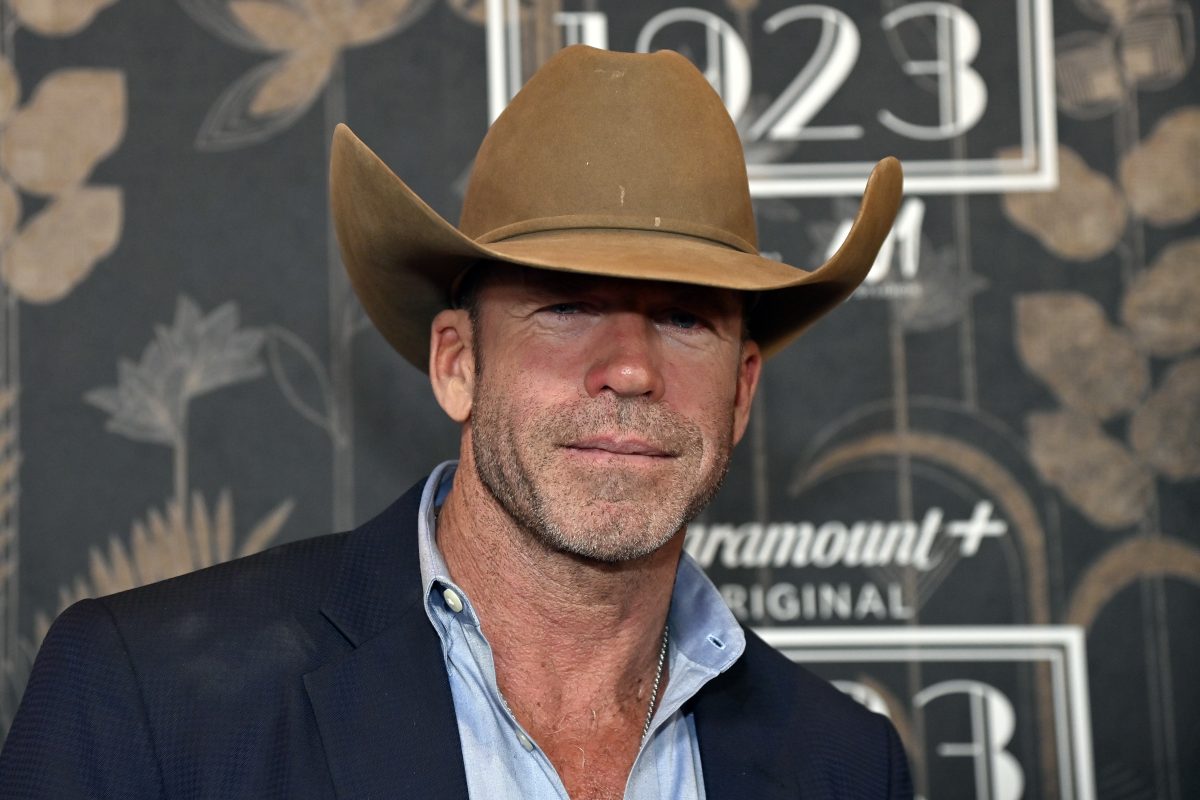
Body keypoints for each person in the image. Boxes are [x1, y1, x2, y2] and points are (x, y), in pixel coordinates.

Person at [0, 45, 909, 799]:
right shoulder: (149, 699)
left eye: (684, 319)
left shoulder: (844, 767)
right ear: (457, 363)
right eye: (566, 306)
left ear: (742, 391)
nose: (631, 367)